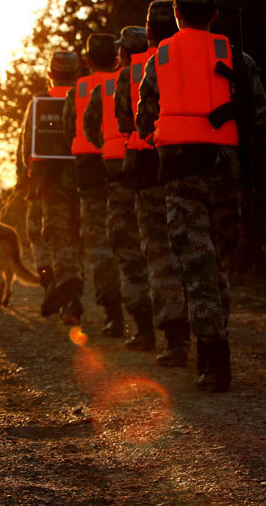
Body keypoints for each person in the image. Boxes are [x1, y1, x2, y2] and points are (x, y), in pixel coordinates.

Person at [136, 0, 266, 391]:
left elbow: (143, 123)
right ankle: (215, 350)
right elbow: (264, 119)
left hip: (181, 174)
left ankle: (214, 358)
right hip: (227, 173)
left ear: (176, 13)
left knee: (197, 266)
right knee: (219, 265)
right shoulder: (237, 56)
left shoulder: (158, 59)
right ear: (213, 14)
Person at [115, 1, 190, 364]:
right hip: (201, 162)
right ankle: (210, 343)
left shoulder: (137, 70)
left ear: (148, 31)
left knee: (159, 254)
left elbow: (127, 121)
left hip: (149, 166)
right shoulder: (212, 53)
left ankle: (173, 340)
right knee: (197, 254)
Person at [81, 26, 155, 346]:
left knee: (125, 251)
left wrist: (111, 148)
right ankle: (177, 335)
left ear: (122, 54)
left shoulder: (109, 85)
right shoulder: (165, 68)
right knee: (160, 250)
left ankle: (137, 325)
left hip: (120, 174)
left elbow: (89, 126)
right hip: (162, 169)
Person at [59, 34, 124, 333]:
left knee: (99, 246)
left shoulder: (79, 90)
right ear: (117, 58)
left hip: (89, 176)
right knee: (131, 243)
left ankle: (114, 315)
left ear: (87, 61)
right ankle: (143, 314)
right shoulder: (129, 81)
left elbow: (67, 128)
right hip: (126, 170)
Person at [16, 50, 84, 321]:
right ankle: (67, 297)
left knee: (41, 235)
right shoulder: (84, 97)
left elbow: (26, 144)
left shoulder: (38, 102)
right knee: (72, 237)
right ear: (76, 75)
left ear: (50, 74)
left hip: (46, 182)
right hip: (81, 178)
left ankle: (62, 291)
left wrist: (24, 181)